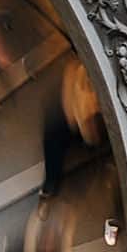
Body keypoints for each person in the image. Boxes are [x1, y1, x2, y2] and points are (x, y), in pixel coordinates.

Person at [42, 61, 103, 198]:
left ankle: (50, 186)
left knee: (54, 141)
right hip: (73, 106)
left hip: (72, 105)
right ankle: (50, 185)